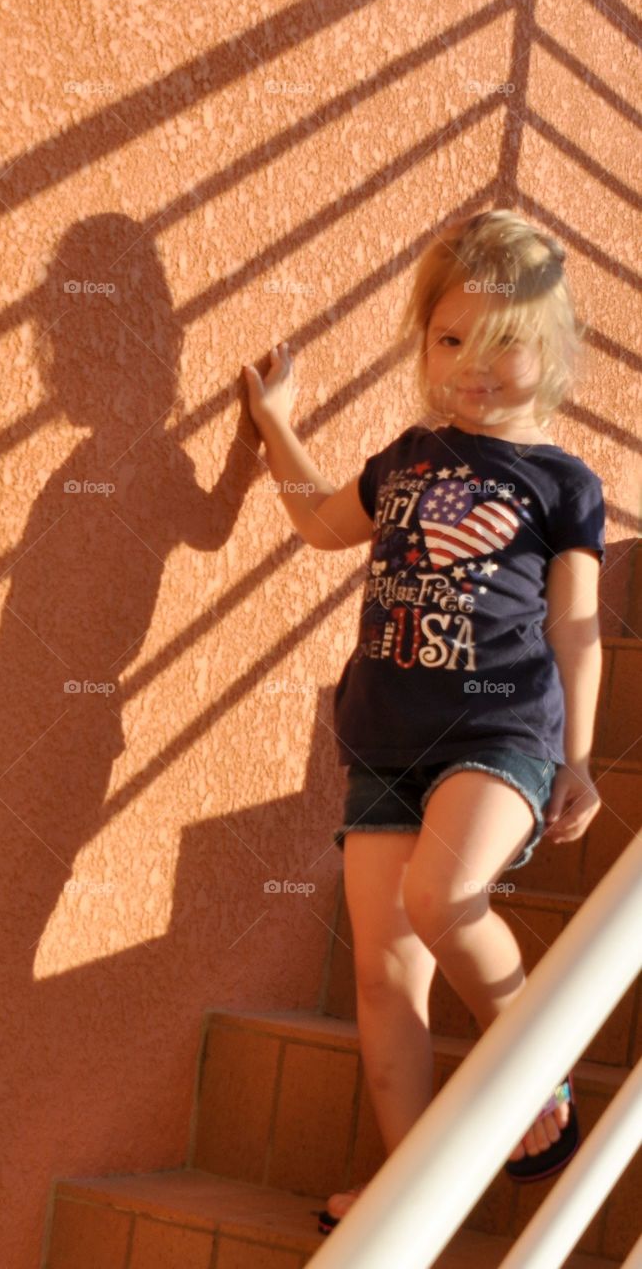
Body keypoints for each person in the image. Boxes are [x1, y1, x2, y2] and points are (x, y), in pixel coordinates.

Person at [243, 210, 606, 1234]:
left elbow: (576, 627)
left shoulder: (565, 483)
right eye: (450, 341)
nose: (472, 367)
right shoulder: (408, 455)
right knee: (381, 967)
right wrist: (277, 423)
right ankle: (408, 1190)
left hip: (503, 736)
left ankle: (541, 1073)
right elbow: (321, 522)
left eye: (503, 344)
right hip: (385, 740)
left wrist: (577, 757)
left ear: (555, 351)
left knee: (444, 896)